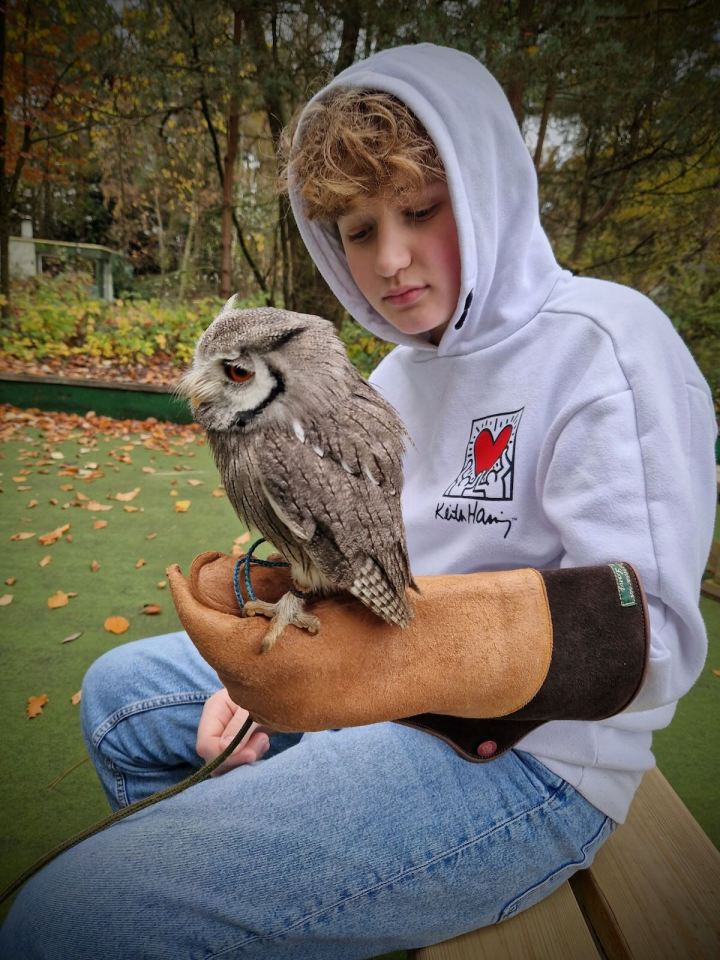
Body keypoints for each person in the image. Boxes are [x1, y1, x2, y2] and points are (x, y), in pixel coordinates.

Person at [1, 42, 716, 960]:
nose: (393, 259)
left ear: (490, 188)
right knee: (119, 697)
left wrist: (360, 680)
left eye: (421, 210)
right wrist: (292, 666)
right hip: (384, 689)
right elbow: (369, 560)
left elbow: (650, 643)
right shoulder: (397, 368)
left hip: (528, 765)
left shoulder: (606, 347)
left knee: (70, 922)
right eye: (358, 230)